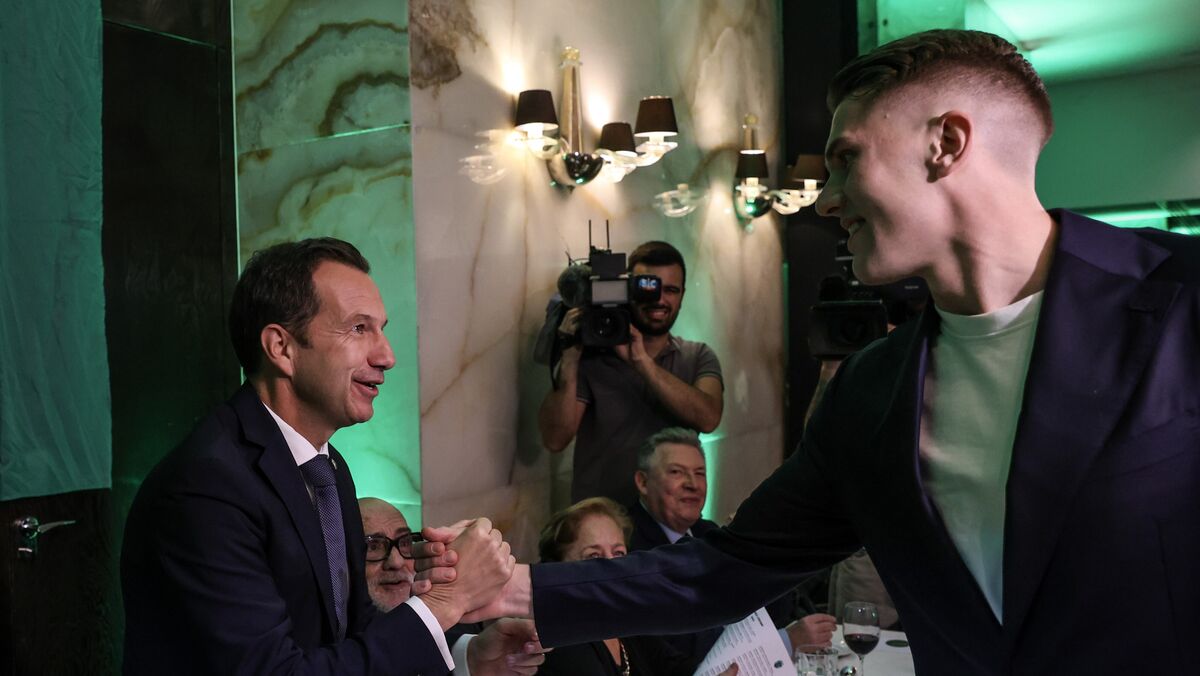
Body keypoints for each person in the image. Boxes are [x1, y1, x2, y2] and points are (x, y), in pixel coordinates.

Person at [418, 30, 1200, 674]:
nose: (826, 200)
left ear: (946, 144)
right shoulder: (870, 391)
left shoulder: (1183, 302)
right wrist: (511, 590)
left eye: (847, 159)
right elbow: (724, 569)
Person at [121, 238, 526, 675]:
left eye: (382, 329)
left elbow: (351, 632)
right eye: (358, 328)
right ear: (281, 348)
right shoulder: (206, 486)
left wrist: (467, 656)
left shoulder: (327, 467)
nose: (387, 356)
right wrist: (445, 603)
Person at [538, 240, 725, 505]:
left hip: (669, 521)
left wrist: (641, 362)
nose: (658, 299)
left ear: (682, 295)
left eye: (670, 290)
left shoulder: (698, 356)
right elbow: (555, 439)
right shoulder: (593, 358)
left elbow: (708, 418)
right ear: (627, 291)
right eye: (648, 288)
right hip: (602, 522)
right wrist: (569, 357)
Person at [628, 428, 837, 657]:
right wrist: (785, 641)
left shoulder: (707, 532)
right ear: (643, 482)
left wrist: (757, 549)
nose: (693, 484)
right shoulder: (628, 545)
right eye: (676, 472)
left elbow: (774, 611)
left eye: (699, 473)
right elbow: (679, 648)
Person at [534, 498, 735, 676]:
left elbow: (674, 667)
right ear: (557, 567)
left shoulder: (626, 617)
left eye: (618, 553)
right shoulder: (560, 637)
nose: (610, 567)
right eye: (593, 556)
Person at [358, 498, 544, 676]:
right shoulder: (343, 643)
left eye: (405, 542)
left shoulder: (459, 624)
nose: (396, 562)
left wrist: (472, 661)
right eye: (373, 546)